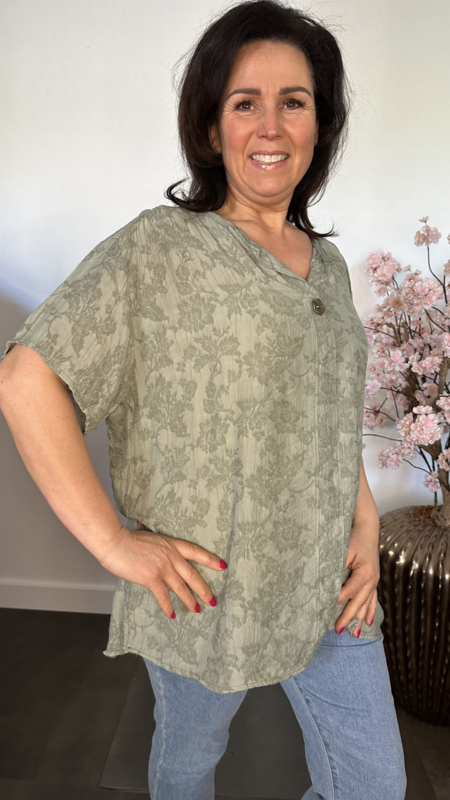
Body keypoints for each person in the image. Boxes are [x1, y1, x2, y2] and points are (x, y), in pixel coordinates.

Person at [0, 1, 407, 798]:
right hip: (206, 587)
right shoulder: (159, 247)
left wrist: (363, 520)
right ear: (212, 128)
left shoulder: (327, 266)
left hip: (329, 580)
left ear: (320, 124)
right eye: (244, 102)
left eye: (294, 101)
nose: (270, 126)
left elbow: (323, 410)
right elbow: (25, 379)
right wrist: (116, 545)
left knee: (372, 784)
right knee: (190, 755)